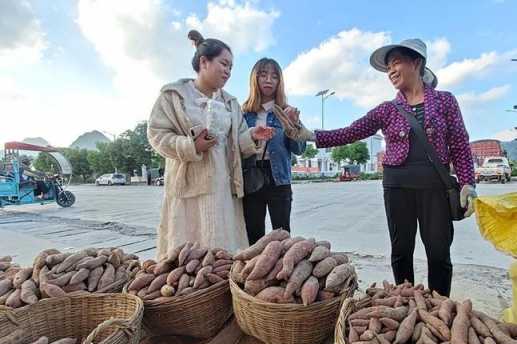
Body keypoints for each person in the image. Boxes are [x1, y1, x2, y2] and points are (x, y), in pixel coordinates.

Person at [289, 39, 477, 297]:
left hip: (435, 187)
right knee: (401, 251)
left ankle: (440, 306)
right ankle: (405, 301)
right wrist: (309, 134)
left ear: (417, 63)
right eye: (388, 66)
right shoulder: (387, 110)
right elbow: (352, 131)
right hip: (397, 185)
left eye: (396, 62)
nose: (390, 71)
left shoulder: (445, 101)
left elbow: (459, 143)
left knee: (438, 252)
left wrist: (468, 183)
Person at [147, 30, 274, 259]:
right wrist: (191, 146)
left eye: (231, 67)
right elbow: (157, 135)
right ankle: (188, 294)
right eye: (224, 64)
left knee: (221, 251)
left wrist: (253, 135)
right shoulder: (174, 96)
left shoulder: (230, 103)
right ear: (204, 62)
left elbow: (237, 142)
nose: (227, 71)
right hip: (187, 189)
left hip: (222, 188)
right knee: (187, 253)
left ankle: (219, 291)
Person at [241, 58, 307, 245]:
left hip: (279, 177)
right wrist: (252, 136)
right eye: (263, 74)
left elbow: (300, 149)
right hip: (252, 175)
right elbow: (235, 148)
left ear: (280, 82)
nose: (268, 80)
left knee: (282, 233)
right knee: (253, 233)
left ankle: (281, 273)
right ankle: (255, 273)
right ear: (255, 79)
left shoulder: (287, 111)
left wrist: (294, 125)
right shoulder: (243, 113)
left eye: (274, 76)